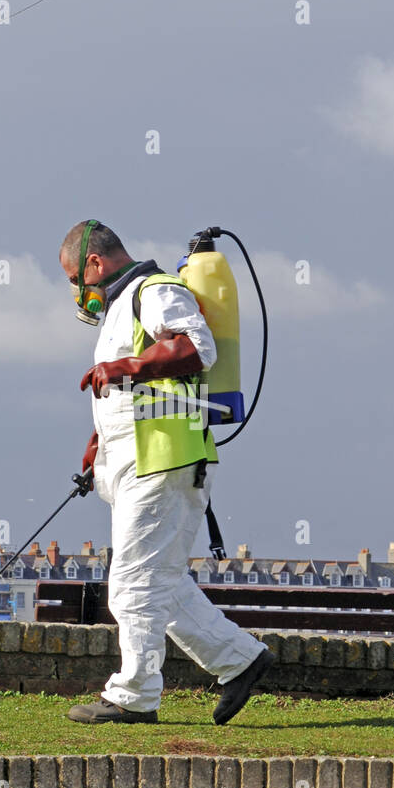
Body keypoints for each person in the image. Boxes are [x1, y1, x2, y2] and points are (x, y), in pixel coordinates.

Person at [58, 219, 272, 725]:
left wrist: (124, 368)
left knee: (131, 584)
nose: (77, 293)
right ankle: (240, 659)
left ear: (95, 262)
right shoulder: (122, 309)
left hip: (165, 462)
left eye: (76, 281)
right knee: (161, 583)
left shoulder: (154, 291)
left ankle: (133, 696)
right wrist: (98, 447)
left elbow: (197, 348)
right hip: (143, 462)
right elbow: (132, 396)